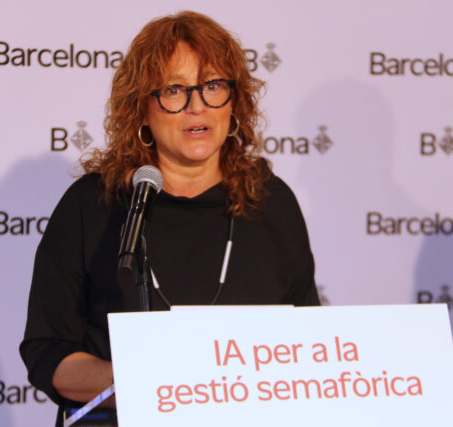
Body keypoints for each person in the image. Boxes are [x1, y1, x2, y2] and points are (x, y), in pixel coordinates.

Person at [20, 11, 319, 426]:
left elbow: (309, 345)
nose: (197, 106)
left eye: (213, 86)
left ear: (234, 102)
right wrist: (147, 385)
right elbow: (47, 351)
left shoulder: (271, 203)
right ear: (141, 109)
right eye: (175, 90)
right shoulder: (94, 205)